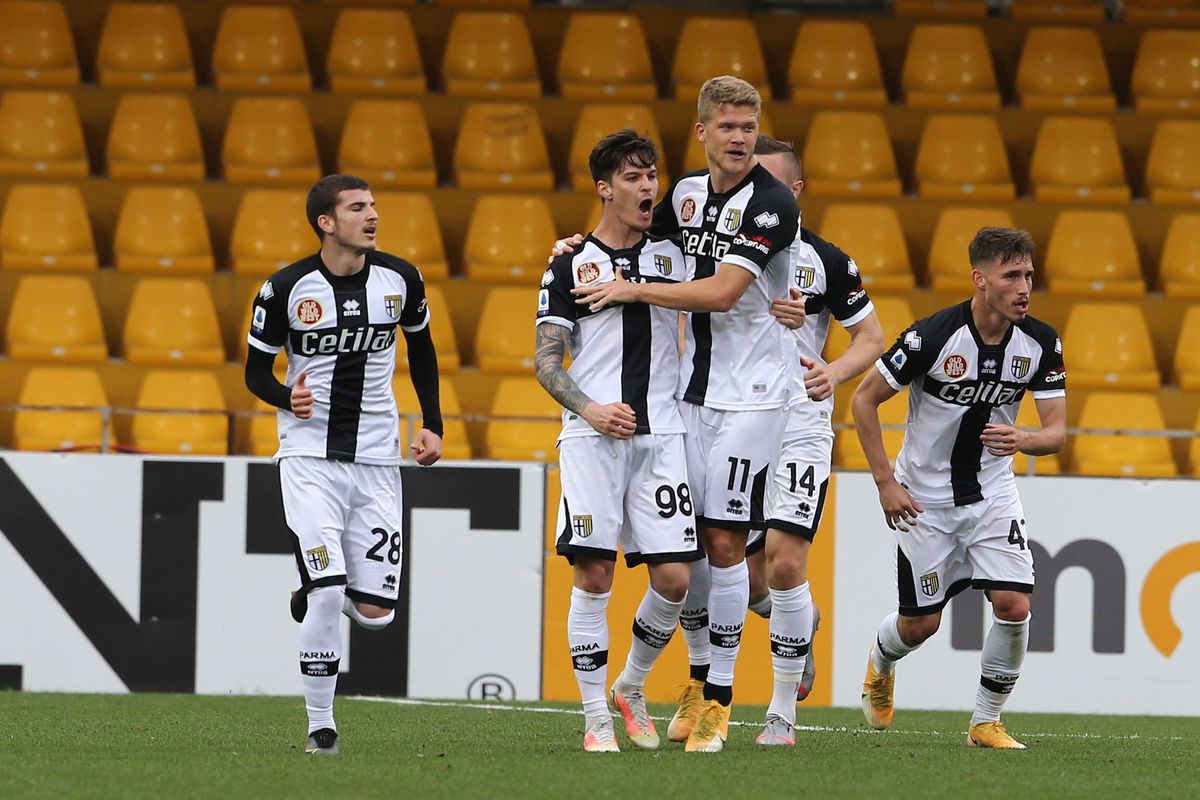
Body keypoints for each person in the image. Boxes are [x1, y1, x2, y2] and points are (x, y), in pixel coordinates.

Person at [572, 76, 803, 752]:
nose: (739, 138)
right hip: (691, 399)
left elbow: (726, 292)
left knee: (727, 543)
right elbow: (635, 240)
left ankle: (721, 699)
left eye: (748, 126)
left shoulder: (771, 202)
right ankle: (691, 680)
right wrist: (577, 250)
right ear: (701, 133)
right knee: (692, 554)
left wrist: (629, 287)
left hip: (755, 399)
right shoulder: (686, 196)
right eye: (726, 127)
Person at [245, 174, 443, 756]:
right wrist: (287, 397)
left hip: (379, 461)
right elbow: (256, 372)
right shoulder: (285, 289)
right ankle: (321, 727)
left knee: (377, 614)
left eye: (375, 205)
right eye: (358, 207)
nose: (373, 215)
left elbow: (423, 349)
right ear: (326, 222)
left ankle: (313, 588)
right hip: (309, 459)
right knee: (332, 592)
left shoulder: (401, 279)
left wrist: (432, 423)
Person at [851, 227, 1066, 750]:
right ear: (980, 279)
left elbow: (1056, 432)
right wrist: (885, 484)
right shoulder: (932, 336)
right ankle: (881, 661)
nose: (1023, 287)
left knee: (1015, 604)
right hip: (924, 501)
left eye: (1029, 276)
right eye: (1011, 275)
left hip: (992, 494)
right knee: (920, 625)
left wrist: (1024, 437)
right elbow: (863, 400)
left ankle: (985, 722)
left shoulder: (1040, 342)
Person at [537, 130, 701, 753]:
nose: (648, 188)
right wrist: (593, 408)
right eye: (633, 178)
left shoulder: (677, 252)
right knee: (595, 574)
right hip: (592, 439)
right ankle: (594, 719)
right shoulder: (567, 264)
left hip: (663, 434)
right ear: (605, 187)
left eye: (652, 175)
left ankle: (629, 686)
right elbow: (548, 362)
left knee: (675, 581)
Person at [737, 136, 885, 746]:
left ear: (795, 192)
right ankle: (800, 618)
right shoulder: (721, 252)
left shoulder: (825, 261)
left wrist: (833, 370)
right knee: (746, 582)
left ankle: (780, 713)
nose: (758, 198)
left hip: (799, 421)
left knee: (787, 561)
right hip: (735, 419)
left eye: (770, 185)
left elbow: (872, 336)